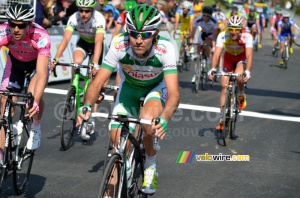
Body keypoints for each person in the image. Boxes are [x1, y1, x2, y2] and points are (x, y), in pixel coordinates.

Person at [76, 4, 179, 195]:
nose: (139, 40)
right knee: (116, 138)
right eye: (133, 33)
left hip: (155, 88)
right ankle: (122, 169)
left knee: (148, 123)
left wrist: (164, 118)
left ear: (155, 33)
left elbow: (174, 93)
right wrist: (87, 105)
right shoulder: (119, 44)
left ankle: (150, 165)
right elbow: (97, 82)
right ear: (127, 31)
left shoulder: (165, 49)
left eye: (145, 35)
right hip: (129, 88)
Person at [0, 3, 51, 163]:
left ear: (29, 24)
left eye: (20, 26)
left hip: (36, 66)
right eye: (12, 24)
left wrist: (35, 100)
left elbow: (42, 74)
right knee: (4, 104)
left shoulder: (40, 36)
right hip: (15, 65)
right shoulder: (4, 31)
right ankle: (1, 155)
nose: (15, 29)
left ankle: (36, 127)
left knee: (32, 97)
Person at [51, 0, 106, 136]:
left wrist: (94, 63)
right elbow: (65, 40)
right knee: (75, 62)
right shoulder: (73, 17)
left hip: (95, 46)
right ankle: (73, 92)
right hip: (82, 43)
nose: (83, 14)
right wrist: (56, 58)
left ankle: (90, 115)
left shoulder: (99, 18)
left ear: (92, 10)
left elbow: (99, 42)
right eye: (81, 10)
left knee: (94, 78)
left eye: (87, 11)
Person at [208, 15, 252, 130]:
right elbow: (217, 54)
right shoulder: (223, 35)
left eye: (236, 30)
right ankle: (222, 120)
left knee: (239, 77)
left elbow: (249, 55)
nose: (233, 32)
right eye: (231, 29)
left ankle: (241, 94)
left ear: (240, 30)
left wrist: (247, 71)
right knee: (224, 87)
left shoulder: (247, 36)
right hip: (228, 59)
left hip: (240, 59)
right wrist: (212, 68)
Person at [190, 6, 218, 83]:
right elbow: (193, 33)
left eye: (207, 16)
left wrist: (214, 46)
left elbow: (215, 35)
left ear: (210, 16)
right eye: (204, 15)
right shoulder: (198, 20)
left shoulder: (214, 21)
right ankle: (195, 74)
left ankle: (209, 61)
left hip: (210, 34)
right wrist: (191, 41)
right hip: (202, 33)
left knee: (206, 44)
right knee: (198, 53)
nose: (205, 17)